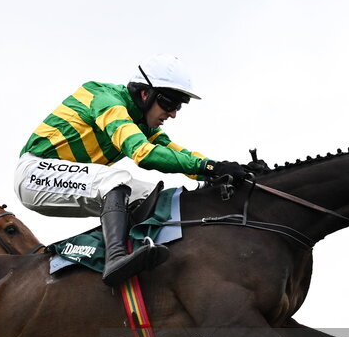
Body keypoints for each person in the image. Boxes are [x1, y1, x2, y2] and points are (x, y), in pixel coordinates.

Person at [15, 54, 251, 286]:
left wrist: (221, 169)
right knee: (117, 180)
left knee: (153, 195)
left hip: (65, 177)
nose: (173, 113)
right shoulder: (105, 98)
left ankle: (132, 253)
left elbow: (179, 154)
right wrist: (209, 167)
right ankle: (115, 258)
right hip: (34, 174)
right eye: (168, 103)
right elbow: (143, 153)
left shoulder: (141, 121)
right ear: (145, 93)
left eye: (179, 105)